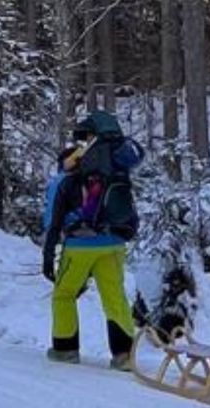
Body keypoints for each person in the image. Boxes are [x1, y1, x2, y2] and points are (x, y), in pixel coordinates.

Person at [42, 111, 144, 370]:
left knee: (64, 294)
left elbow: (52, 222)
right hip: (114, 242)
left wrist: (48, 255)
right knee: (115, 296)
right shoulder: (112, 169)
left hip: (80, 246)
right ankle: (124, 355)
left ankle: (65, 349)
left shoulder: (63, 181)